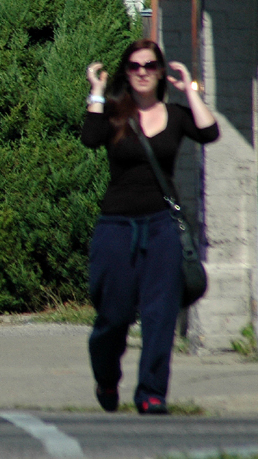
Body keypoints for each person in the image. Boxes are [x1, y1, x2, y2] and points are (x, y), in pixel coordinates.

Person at [81, 39, 218, 414]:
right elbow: (90, 138)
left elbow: (209, 133)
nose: (143, 73)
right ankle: (106, 376)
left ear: (159, 72)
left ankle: (152, 393)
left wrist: (190, 90)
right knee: (114, 314)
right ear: (127, 73)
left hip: (162, 226)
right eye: (135, 67)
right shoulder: (114, 114)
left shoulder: (175, 115)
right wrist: (96, 91)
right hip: (117, 225)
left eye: (150, 66)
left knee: (160, 315)